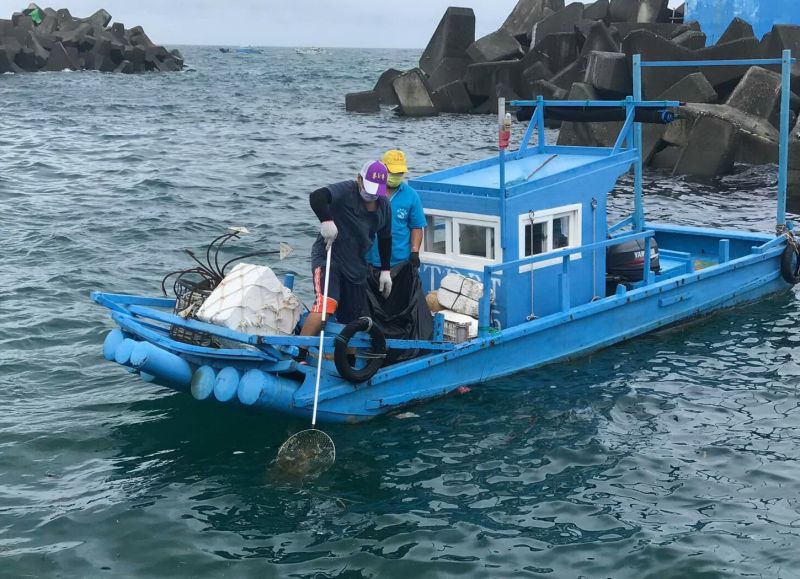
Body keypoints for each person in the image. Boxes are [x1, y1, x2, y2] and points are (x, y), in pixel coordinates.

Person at [299, 160, 394, 345]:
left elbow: (385, 238)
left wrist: (385, 270)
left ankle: (345, 360)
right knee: (327, 303)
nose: (372, 194)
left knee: (352, 318)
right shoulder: (346, 190)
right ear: (359, 179)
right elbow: (316, 197)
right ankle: (299, 350)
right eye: (369, 188)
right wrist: (326, 220)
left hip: (356, 264)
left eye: (377, 191)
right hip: (330, 256)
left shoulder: (384, 206)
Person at [366, 149, 425, 270]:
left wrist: (415, 252)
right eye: (392, 172)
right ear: (383, 167)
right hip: (368, 259)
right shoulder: (369, 190)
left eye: (400, 172)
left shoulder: (411, 195)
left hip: (398, 262)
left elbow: (417, 226)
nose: (396, 175)